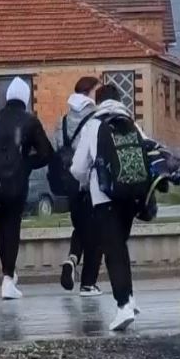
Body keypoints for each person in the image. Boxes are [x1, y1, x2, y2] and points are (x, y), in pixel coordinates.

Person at [0, 77, 53, 300]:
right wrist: (26, 164)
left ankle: (8, 273)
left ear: (7, 98)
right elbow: (46, 153)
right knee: (12, 226)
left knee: (1, 226)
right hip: (16, 181)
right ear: (25, 98)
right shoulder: (30, 122)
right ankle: (8, 278)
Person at [71, 85, 145, 331]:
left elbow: (79, 166)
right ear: (120, 100)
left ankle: (123, 305)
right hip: (131, 195)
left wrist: (84, 183)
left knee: (113, 251)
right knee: (120, 246)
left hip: (104, 196)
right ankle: (130, 299)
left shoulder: (94, 124)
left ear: (98, 101)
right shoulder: (131, 122)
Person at [52, 76, 101, 295]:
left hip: (69, 182)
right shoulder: (95, 119)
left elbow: (57, 147)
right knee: (96, 229)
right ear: (89, 93)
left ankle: (72, 260)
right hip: (90, 180)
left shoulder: (62, 121)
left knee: (80, 226)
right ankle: (89, 283)